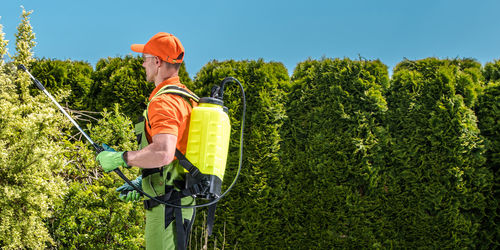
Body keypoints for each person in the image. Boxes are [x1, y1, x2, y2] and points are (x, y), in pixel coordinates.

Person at [96, 32, 198, 250]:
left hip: (167, 206)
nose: (143, 64)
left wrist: (121, 158)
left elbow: (163, 152)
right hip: (181, 200)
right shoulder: (187, 99)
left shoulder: (163, 102)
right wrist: (144, 184)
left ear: (158, 62)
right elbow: (179, 156)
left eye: (145, 58)